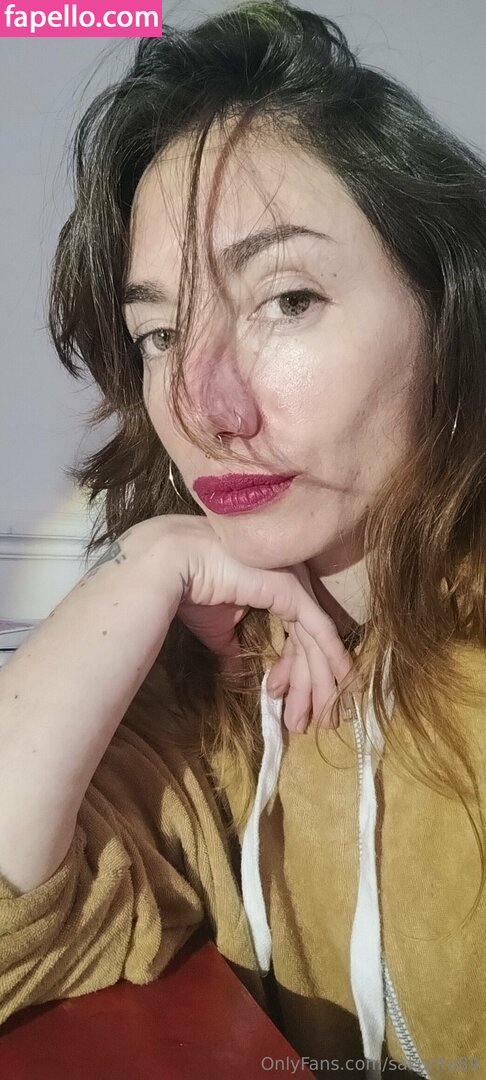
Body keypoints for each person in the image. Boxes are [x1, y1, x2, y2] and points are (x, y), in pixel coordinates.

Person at [1, 2, 485, 1076]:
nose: (204, 404)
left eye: (287, 299)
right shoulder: (213, 680)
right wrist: (144, 564)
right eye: (160, 333)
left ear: (449, 312)